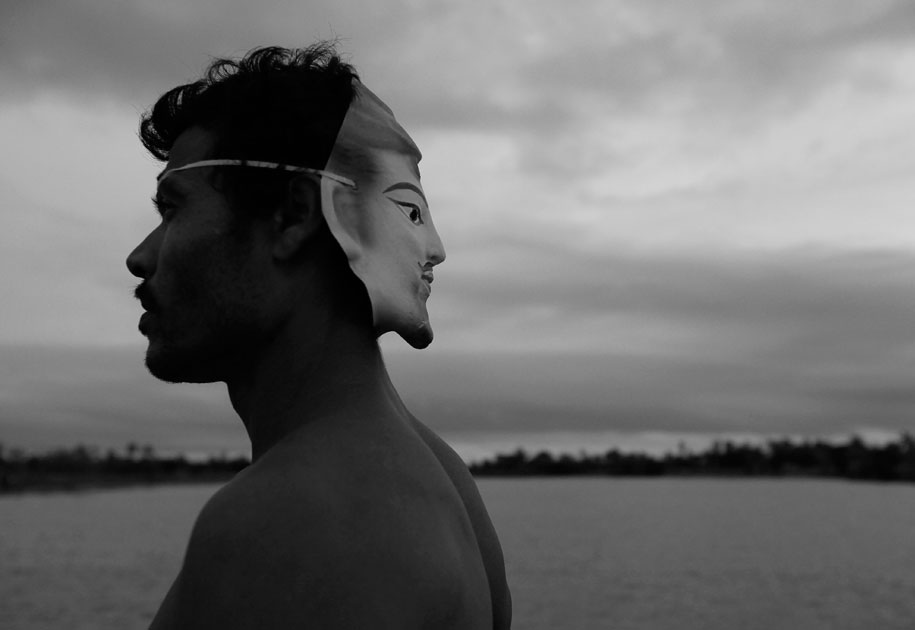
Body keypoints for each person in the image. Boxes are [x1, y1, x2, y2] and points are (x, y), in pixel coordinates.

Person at [126, 43, 512, 629]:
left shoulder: (292, 518)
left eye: (173, 209)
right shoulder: (437, 479)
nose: (140, 257)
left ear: (293, 216)